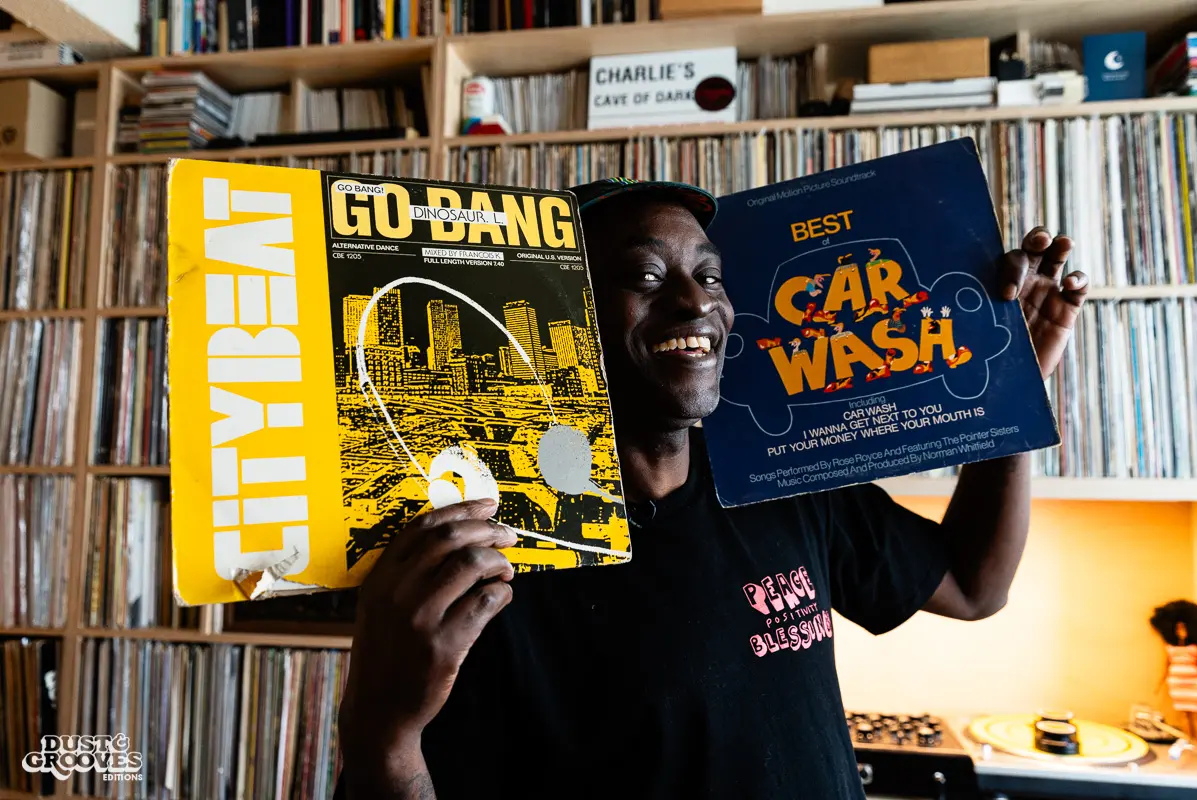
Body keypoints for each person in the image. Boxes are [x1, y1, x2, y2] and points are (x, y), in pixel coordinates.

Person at [335, 177, 1089, 799]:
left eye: (709, 274)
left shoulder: (776, 478)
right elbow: (408, 768)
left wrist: (1012, 392)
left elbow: (972, 583)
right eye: (645, 276)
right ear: (561, 318)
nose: (697, 302)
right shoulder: (503, 556)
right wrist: (383, 737)